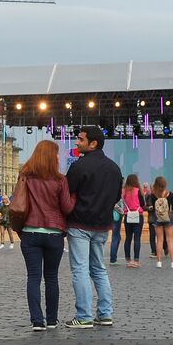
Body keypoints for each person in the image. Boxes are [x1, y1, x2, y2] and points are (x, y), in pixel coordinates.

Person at [62, 126, 122, 329]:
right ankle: (105, 314)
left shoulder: (78, 166)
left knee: (80, 270)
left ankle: (84, 316)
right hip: (103, 226)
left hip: (79, 224)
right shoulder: (114, 168)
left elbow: (67, 195)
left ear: (93, 143)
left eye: (80, 139)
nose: (76, 142)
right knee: (99, 269)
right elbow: (116, 198)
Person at [14, 141, 74, 331]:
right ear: (51, 157)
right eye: (56, 154)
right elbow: (67, 208)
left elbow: (18, 203)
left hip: (30, 232)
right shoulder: (61, 180)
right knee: (51, 277)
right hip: (54, 234)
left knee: (33, 277)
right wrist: (75, 198)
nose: (58, 157)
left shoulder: (25, 177)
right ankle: (51, 320)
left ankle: (37, 321)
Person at [149, 176, 173, 268]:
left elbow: (152, 207)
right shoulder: (170, 194)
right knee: (170, 240)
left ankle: (159, 262)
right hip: (168, 218)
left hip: (157, 219)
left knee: (159, 240)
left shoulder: (153, 195)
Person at [118, 174, 142, 267]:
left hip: (127, 215)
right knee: (137, 238)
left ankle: (128, 259)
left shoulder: (123, 191)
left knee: (128, 238)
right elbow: (142, 204)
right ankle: (136, 260)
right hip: (137, 215)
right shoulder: (138, 191)